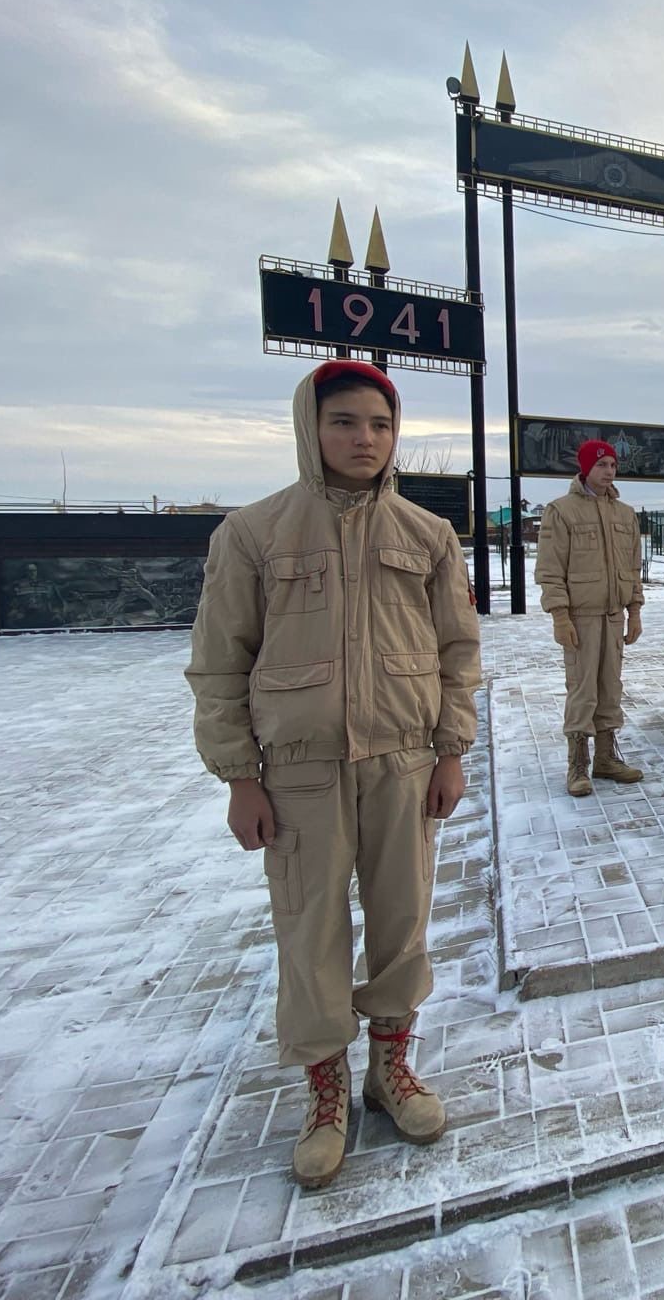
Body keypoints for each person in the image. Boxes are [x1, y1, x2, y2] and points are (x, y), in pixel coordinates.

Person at [186, 360, 481, 1189]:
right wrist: (241, 775)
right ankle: (325, 1091)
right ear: (309, 429)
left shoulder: (427, 536)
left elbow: (459, 654)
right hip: (299, 773)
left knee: (401, 922)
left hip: (402, 763)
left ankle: (391, 1072)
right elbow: (218, 663)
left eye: (381, 426)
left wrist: (451, 750)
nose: (365, 440)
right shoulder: (255, 534)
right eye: (346, 422)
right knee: (310, 930)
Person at [537, 440, 645, 797]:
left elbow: (633, 568)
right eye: (601, 465)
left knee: (610, 687)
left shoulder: (625, 514)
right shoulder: (561, 511)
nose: (609, 471)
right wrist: (559, 616)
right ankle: (578, 764)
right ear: (586, 469)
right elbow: (551, 570)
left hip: (614, 615)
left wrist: (635, 612)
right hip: (580, 617)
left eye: (613, 465)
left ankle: (605, 758)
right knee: (582, 689)